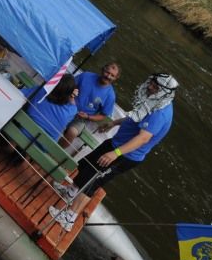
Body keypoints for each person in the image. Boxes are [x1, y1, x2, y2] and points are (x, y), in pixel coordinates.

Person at [49, 73, 178, 230]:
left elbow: (143, 138)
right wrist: (114, 123)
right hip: (116, 143)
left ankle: (69, 218)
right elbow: (136, 117)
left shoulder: (160, 114)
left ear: (164, 91)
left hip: (125, 154)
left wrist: (115, 154)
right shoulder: (154, 101)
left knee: (92, 182)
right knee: (86, 164)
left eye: (155, 87)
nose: (150, 87)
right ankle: (71, 191)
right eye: (151, 83)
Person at [62, 62, 120, 147]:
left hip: (81, 119)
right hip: (66, 106)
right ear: (103, 69)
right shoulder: (86, 76)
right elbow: (69, 85)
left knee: (72, 132)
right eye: (107, 72)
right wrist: (71, 95)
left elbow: (103, 116)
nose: (108, 76)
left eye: (112, 75)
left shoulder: (111, 96)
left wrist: (87, 117)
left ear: (116, 78)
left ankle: (52, 153)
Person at [25, 74, 79, 141]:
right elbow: (73, 105)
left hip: (21, 133)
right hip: (42, 146)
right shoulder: (72, 110)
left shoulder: (42, 91)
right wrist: (72, 96)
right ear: (69, 94)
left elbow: (21, 93)